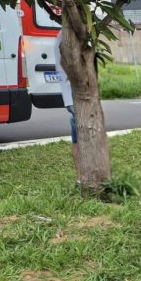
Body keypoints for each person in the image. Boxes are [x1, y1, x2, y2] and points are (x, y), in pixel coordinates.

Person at [54, 29, 79, 182]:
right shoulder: (67, 34)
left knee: (77, 140)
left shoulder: (63, 33)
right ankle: (83, 179)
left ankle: (81, 179)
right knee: (83, 140)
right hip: (75, 96)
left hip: (72, 97)